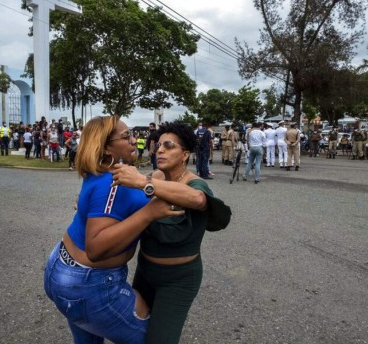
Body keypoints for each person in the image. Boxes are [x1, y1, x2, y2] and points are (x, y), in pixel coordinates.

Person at [44, 115, 183, 343]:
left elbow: (143, 182)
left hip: (63, 268)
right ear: (107, 147)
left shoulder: (108, 173)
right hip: (86, 282)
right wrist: (149, 213)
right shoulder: (113, 183)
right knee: (152, 338)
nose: (133, 140)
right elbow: (96, 248)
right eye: (126, 136)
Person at [112, 121, 230, 344]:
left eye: (169, 146)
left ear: (185, 155)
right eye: (158, 146)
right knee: (133, 330)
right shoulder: (155, 176)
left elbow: (197, 199)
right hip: (145, 271)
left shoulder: (195, 184)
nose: (160, 150)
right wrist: (87, 204)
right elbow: (119, 193)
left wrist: (142, 182)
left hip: (178, 280)